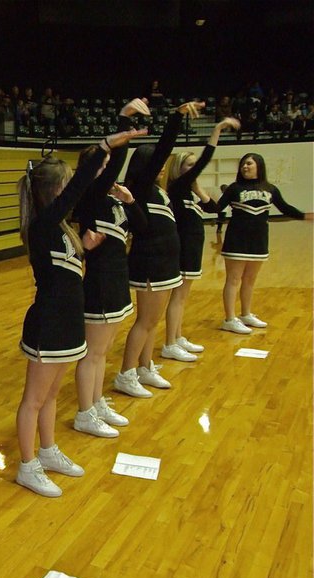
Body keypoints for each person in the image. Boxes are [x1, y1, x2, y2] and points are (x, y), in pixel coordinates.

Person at [15, 126, 145, 494]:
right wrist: (104, 148)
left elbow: (65, 270)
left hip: (70, 321)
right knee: (34, 399)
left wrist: (85, 245)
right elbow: (79, 187)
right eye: (69, 184)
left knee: (52, 395)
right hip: (48, 324)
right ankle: (27, 465)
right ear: (54, 191)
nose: (76, 190)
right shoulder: (41, 225)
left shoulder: (62, 228)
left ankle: (48, 449)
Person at [112, 101, 205, 398]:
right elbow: (165, 148)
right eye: (157, 161)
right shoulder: (138, 187)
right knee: (146, 321)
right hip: (149, 263)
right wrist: (176, 118)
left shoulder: (158, 190)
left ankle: (144, 366)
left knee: (153, 322)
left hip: (166, 263)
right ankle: (125, 374)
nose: (162, 165)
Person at [72, 98, 150, 438]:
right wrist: (123, 122)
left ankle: (98, 400)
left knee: (103, 352)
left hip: (119, 282)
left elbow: (144, 229)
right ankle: (84, 412)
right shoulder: (88, 199)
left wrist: (131, 202)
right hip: (100, 285)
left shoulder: (113, 200)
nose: (107, 169)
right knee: (93, 353)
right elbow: (112, 161)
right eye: (101, 164)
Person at [161, 117, 241, 361]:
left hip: (193, 250)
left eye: (193, 165)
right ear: (178, 169)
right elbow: (206, 160)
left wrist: (199, 190)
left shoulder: (189, 191)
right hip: (182, 249)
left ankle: (178, 335)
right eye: (188, 165)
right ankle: (169, 343)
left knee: (183, 297)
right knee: (178, 297)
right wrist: (217, 130)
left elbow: (215, 209)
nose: (192, 169)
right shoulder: (175, 188)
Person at [218, 153, 308, 334]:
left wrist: (306, 216)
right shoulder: (234, 188)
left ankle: (245, 314)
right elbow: (217, 208)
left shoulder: (270, 189)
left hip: (259, 241)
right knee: (233, 279)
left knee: (250, 280)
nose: (245, 167)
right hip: (237, 240)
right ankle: (229, 318)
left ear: (259, 166)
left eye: (249, 164)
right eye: (243, 164)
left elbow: (285, 208)